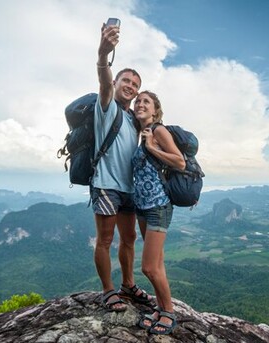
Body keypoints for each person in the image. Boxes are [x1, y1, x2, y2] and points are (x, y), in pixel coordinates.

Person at [93, 20, 154, 312]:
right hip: (106, 184)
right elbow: (103, 81)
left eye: (135, 85)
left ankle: (128, 285)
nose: (130, 87)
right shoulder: (106, 106)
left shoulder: (133, 119)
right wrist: (104, 54)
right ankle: (107, 291)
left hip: (128, 188)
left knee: (128, 238)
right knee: (105, 239)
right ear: (117, 84)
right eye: (126, 81)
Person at [132, 91, 185, 334]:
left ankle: (169, 313)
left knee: (149, 268)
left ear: (155, 110)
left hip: (158, 207)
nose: (140, 104)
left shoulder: (159, 131)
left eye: (146, 102)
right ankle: (161, 308)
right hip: (142, 208)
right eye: (138, 101)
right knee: (159, 264)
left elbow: (179, 161)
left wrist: (152, 147)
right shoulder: (138, 134)